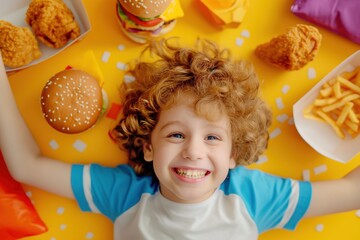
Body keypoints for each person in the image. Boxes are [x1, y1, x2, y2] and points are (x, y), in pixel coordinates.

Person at [0, 39, 359, 240]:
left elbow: (350, 192)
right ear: (148, 145)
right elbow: (25, 165)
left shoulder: (253, 197)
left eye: (213, 137)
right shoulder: (127, 192)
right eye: (176, 134)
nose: (193, 150)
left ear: (234, 153)